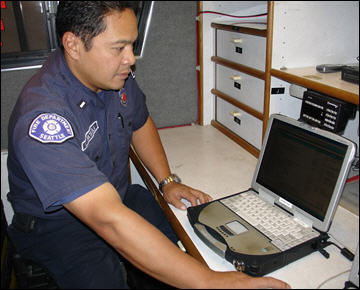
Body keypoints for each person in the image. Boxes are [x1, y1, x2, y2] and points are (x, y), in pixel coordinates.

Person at [6, 1, 290, 289]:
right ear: (74, 45)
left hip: (114, 197)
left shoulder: (113, 75)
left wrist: (167, 181)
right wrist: (210, 283)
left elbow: (139, 120)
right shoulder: (43, 118)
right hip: (57, 226)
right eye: (119, 48)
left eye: (132, 45)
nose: (130, 59)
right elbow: (109, 220)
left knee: (192, 239)